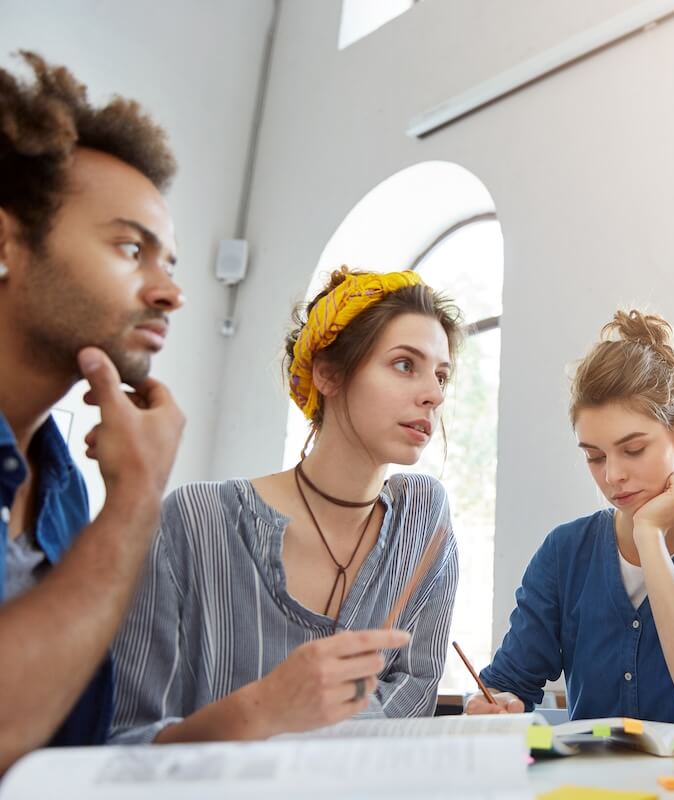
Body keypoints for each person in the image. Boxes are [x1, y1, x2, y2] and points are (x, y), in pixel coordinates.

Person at [110, 268, 461, 743]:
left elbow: (413, 694)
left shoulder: (423, 520)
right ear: (328, 373)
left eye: (442, 375)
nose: (434, 394)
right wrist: (263, 712)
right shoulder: (196, 521)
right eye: (404, 364)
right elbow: (126, 737)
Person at [0, 51, 186, 771]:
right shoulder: (114, 495)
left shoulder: (64, 484)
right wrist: (137, 500)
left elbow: (67, 752)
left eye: (167, 262)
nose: (170, 293)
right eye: (131, 247)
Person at [468, 310, 674, 727]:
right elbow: (506, 684)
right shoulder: (565, 552)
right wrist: (488, 704)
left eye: (632, 450)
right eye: (594, 456)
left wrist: (650, 537)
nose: (612, 475)